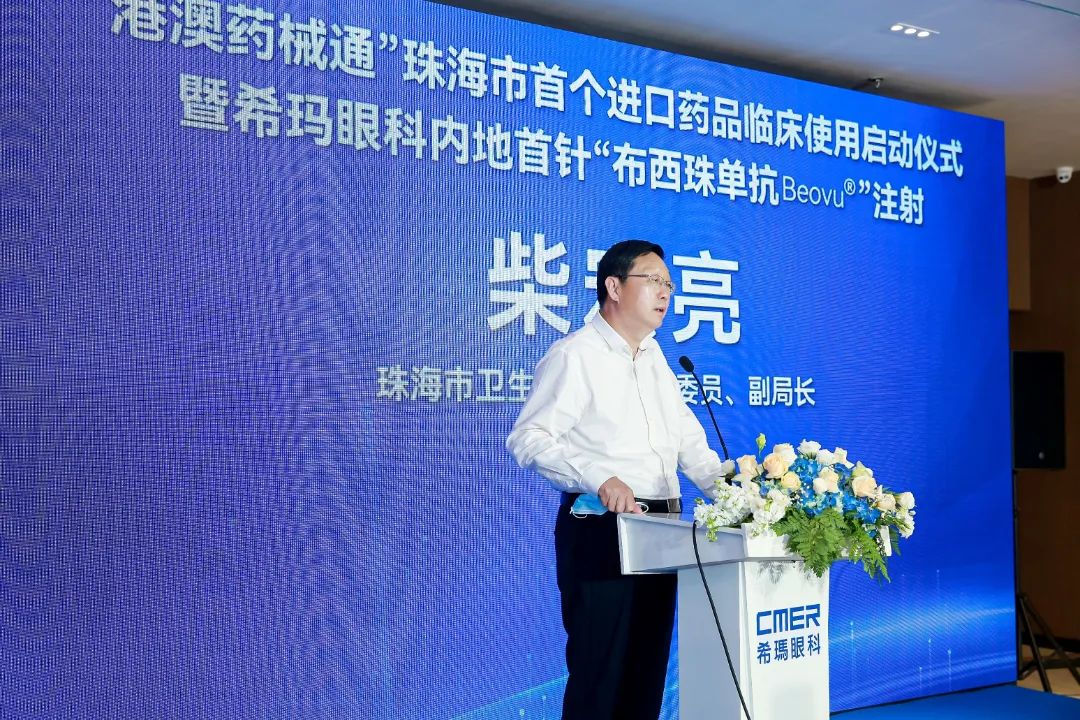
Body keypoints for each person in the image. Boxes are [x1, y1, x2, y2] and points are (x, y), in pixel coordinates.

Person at [506, 239, 731, 720]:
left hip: (662, 535)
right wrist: (598, 478)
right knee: (600, 681)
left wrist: (738, 497)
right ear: (613, 286)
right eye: (653, 280)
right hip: (602, 530)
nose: (665, 292)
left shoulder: (655, 359)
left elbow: (690, 444)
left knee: (644, 679)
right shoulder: (576, 355)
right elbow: (529, 438)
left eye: (669, 283)